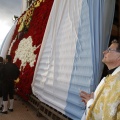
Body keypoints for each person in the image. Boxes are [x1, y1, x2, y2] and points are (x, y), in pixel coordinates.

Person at [80, 39, 120, 120]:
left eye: (109, 50)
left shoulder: (117, 81)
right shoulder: (110, 77)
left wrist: (90, 103)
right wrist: (94, 99)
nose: (104, 52)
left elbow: (108, 115)